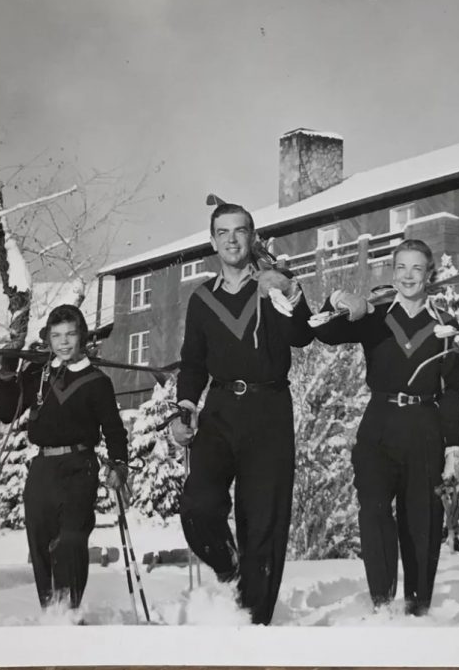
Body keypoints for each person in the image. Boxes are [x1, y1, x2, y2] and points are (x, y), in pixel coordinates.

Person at [167, 202, 313, 625]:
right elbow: (193, 362)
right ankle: (229, 567)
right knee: (197, 505)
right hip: (221, 409)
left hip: (269, 409)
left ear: (253, 237)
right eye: (223, 232)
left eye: (241, 230)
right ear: (213, 241)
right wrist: (185, 407)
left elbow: (303, 336)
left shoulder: (273, 285)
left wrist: (287, 290)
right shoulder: (202, 299)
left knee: (263, 520)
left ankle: (255, 621)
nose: (232, 239)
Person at [310, 239, 459, 617]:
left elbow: (452, 390)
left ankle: (418, 606)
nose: (409, 276)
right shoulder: (375, 315)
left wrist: (455, 446)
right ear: (392, 272)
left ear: (429, 273)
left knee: (422, 518)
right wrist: (337, 299)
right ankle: (381, 601)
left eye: (417, 268)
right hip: (379, 424)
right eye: (401, 268)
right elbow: (323, 333)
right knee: (374, 509)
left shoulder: (446, 324)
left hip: (425, 426)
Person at [0, 304, 130, 613]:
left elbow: (113, 428)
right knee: (40, 538)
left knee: (71, 537)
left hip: (79, 466)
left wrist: (119, 463)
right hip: (43, 467)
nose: (64, 342)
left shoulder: (97, 381)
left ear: (82, 336)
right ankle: (51, 611)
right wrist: (6, 374)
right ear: (48, 339)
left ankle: (68, 610)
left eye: (70, 334)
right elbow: (7, 413)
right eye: (56, 336)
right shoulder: (38, 374)